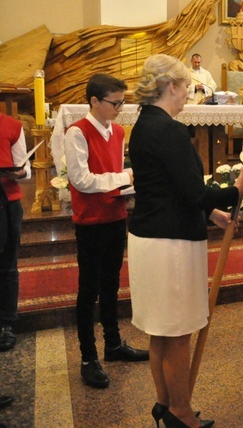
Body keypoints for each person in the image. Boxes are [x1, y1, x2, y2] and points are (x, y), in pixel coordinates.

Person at [127, 54, 243, 428]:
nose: (188, 95)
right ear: (172, 86)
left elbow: (168, 188)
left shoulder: (145, 125)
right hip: (171, 245)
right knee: (177, 332)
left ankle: (165, 403)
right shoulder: (168, 130)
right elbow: (194, 191)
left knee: (160, 332)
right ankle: (180, 410)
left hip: (150, 238)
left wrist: (212, 214)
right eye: (187, 87)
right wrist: (235, 189)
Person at [64, 74, 149, 389]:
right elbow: (81, 180)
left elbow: (111, 176)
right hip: (90, 221)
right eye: (115, 103)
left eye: (122, 102)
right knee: (89, 290)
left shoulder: (118, 131)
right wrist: (124, 176)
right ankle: (88, 357)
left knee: (112, 284)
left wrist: (126, 184)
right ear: (94, 102)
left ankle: (112, 345)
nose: (120, 108)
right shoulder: (77, 133)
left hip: (115, 216)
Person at [0, 113, 30, 353]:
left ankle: (6, 323)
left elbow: (25, 168)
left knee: (8, 265)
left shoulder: (12, 125)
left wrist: (19, 173)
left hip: (7, 202)